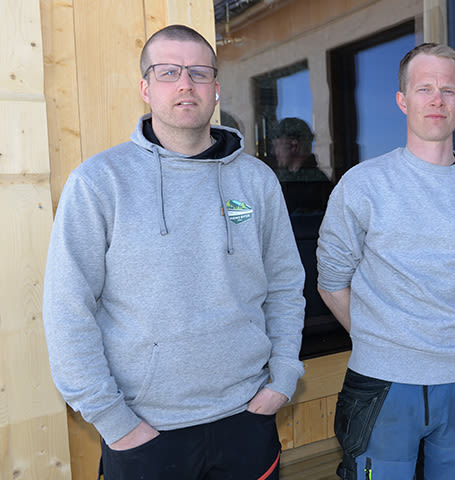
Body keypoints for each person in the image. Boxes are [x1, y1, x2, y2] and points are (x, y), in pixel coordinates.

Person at [42, 24, 305, 480]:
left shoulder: (256, 180)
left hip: (247, 417)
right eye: (168, 72)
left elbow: (285, 285)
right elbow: (68, 309)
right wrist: (114, 421)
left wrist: (283, 378)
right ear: (146, 88)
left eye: (199, 73)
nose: (185, 84)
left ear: (216, 88)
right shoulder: (100, 182)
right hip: (146, 430)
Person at [316, 42, 455, 480]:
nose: (437, 99)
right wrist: (380, 336)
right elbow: (331, 281)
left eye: (447, 89)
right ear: (403, 101)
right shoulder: (363, 185)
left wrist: (439, 336)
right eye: (424, 89)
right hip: (382, 387)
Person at [270, 117, 333, 215]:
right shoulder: (281, 180)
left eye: (277, 145)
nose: (273, 152)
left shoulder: (317, 186)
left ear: (294, 146)